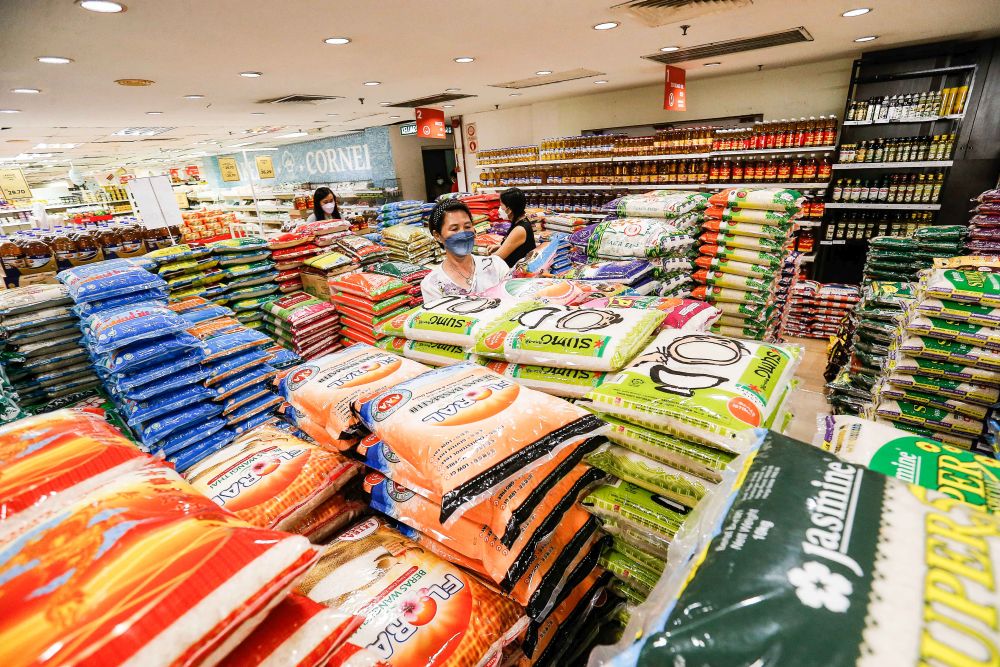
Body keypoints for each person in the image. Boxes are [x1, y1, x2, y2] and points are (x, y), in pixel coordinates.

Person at [421, 199, 509, 303]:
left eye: (467, 226)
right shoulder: (432, 284)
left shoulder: (495, 266)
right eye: (454, 229)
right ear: (437, 236)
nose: (463, 234)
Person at [487, 187, 536, 268]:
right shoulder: (521, 221)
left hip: (516, 274)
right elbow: (517, 246)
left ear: (509, 210)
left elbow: (497, 258)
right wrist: (501, 246)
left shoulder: (520, 229)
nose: (499, 209)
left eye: (501, 205)